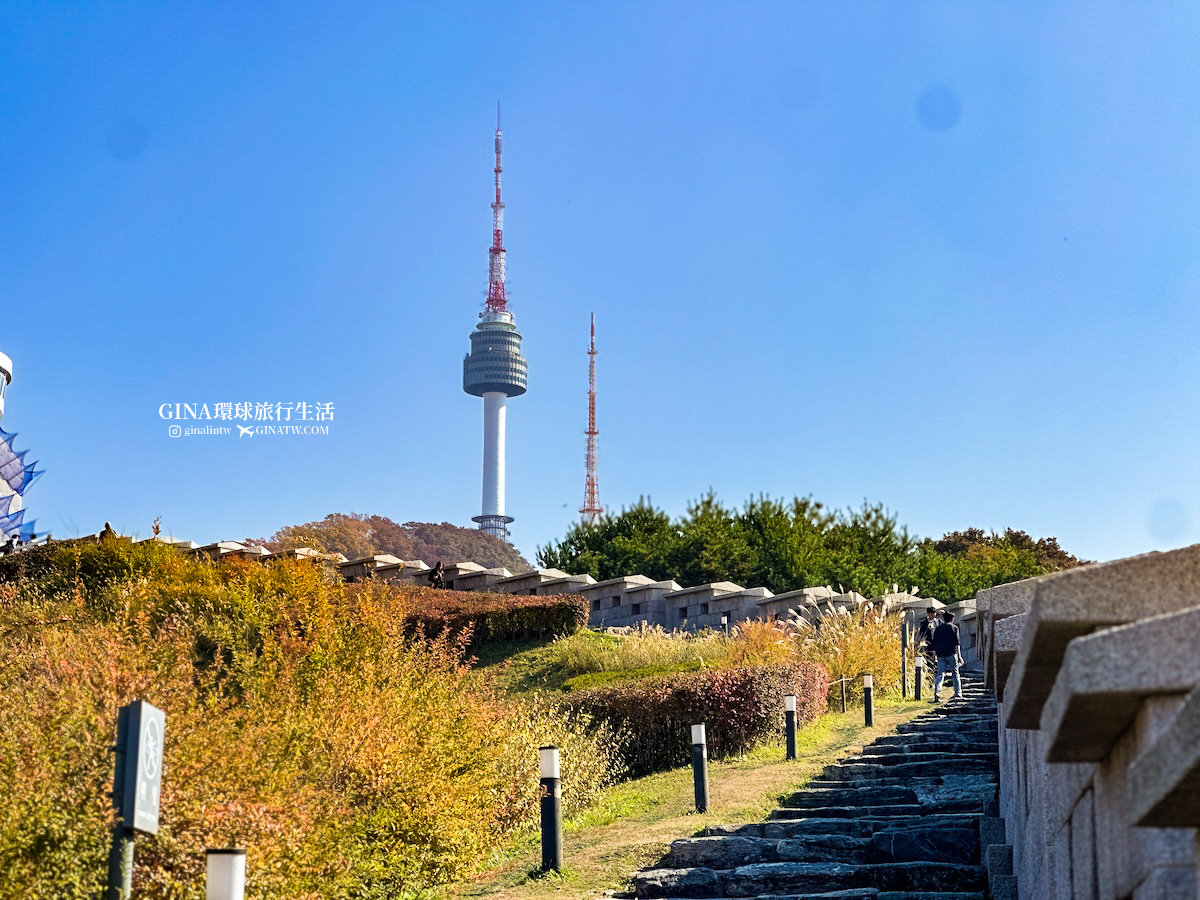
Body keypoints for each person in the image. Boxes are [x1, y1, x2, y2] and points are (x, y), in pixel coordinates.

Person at [931, 610, 964, 701]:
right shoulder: (954, 628)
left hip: (940, 654)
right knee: (955, 674)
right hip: (951, 654)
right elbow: (957, 644)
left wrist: (935, 656)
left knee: (940, 674)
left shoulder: (938, 629)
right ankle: (958, 693)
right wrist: (959, 656)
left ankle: (937, 693)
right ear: (952, 619)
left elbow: (934, 643)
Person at [916, 607, 939, 689]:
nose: (933, 615)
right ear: (928, 614)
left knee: (937, 664)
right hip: (928, 646)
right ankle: (930, 681)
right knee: (930, 663)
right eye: (931, 613)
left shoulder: (938, 622)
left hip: (937, 645)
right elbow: (921, 635)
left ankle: (936, 681)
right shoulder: (923, 623)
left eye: (934, 613)